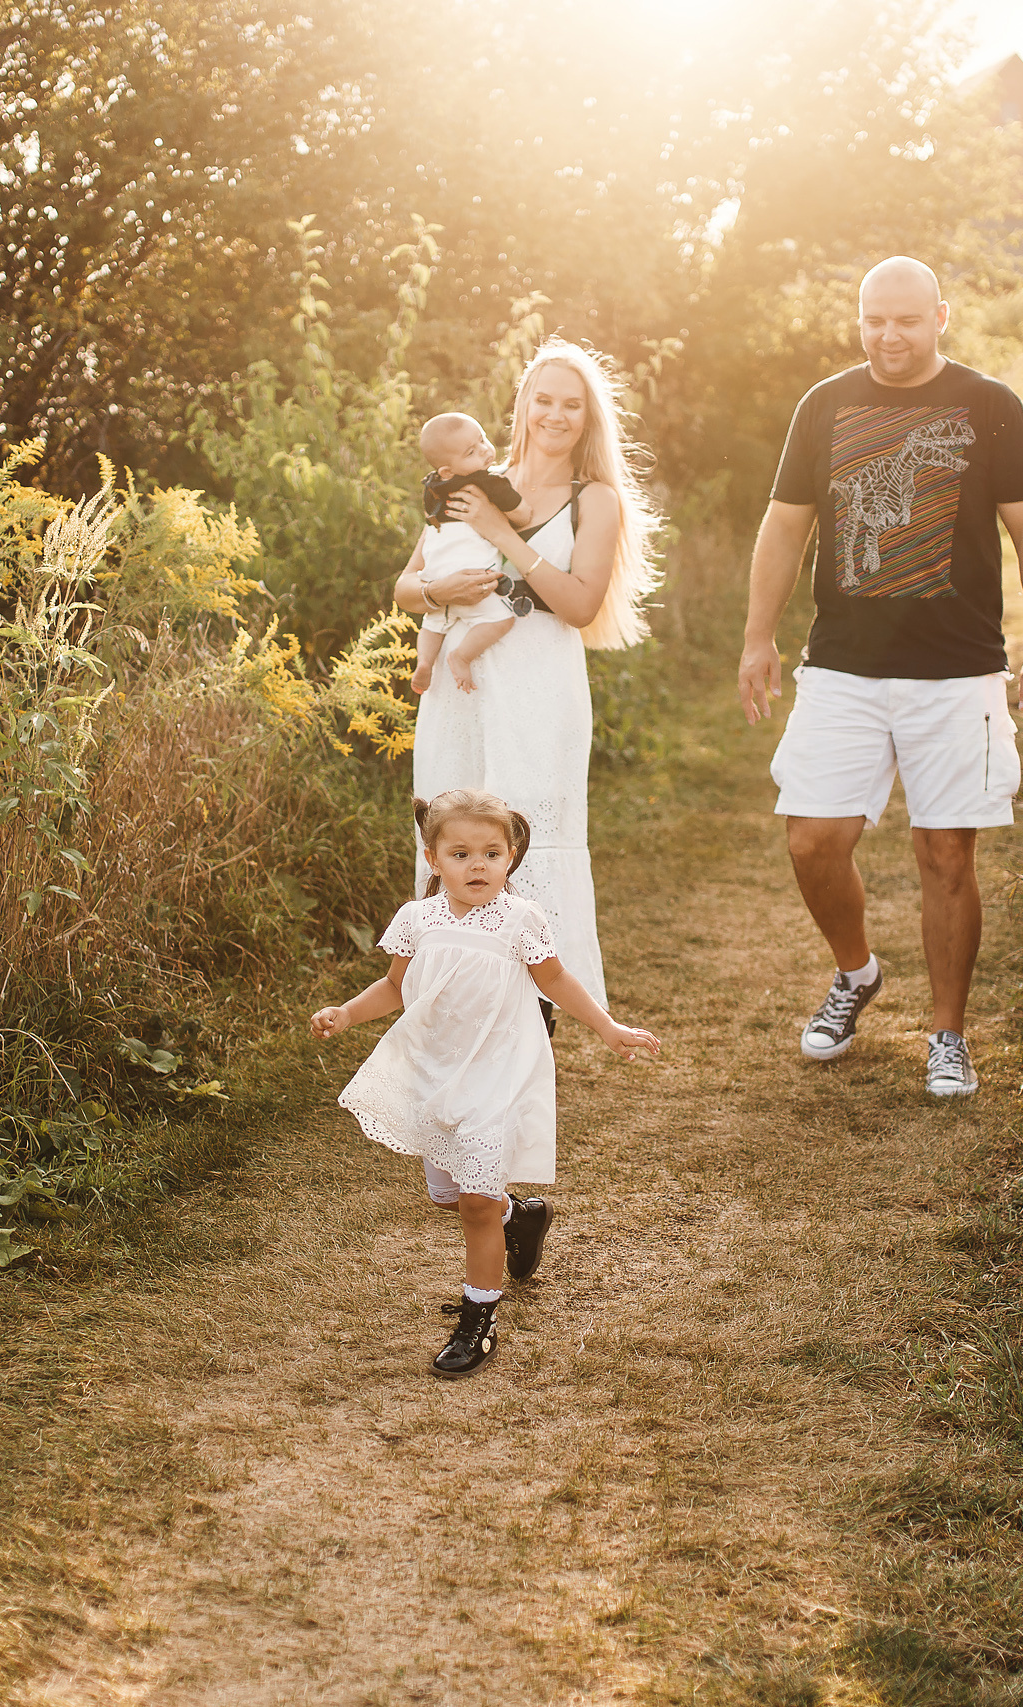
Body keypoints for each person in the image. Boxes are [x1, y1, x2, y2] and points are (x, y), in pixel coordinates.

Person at [737, 256, 1023, 1098]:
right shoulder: (825, 404)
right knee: (813, 838)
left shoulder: (990, 407)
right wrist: (757, 638)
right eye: (874, 320)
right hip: (843, 665)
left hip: (958, 672)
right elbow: (784, 529)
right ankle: (856, 974)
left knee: (946, 854)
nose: (889, 335)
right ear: (860, 319)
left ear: (941, 317)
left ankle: (948, 1035)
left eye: (907, 320)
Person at [312, 789, 661, 1378]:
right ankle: (519, 1218)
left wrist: (608, 1027)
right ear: (433, 859)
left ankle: (480, 1318)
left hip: (497, 1072)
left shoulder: (520, 921)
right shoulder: (416, 919)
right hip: (435, 1070)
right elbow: (394, 988)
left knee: (474, 1202)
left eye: (491, 853)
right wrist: (345, 1013)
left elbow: (556, 978)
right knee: (450, 1195)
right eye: (461, 853)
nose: (477, 865)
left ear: (511, 856)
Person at [392, 338, 662, 1023]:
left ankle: (531, 1023)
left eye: (572, 404)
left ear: (588, 417)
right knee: (457, 835)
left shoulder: (594, 499)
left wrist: (504, 536)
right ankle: (453, 1010)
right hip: (465, 687)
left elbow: (577, 605)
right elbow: (404, 587)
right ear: (524, 404)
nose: (555, 414)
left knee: (523, 842)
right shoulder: (475, 475)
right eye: (544, 399)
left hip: (541, 690)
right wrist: (436, 584)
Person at [410, 412, 532, 695]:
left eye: (482, 440)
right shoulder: (487, 483)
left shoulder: (432, 486)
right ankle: (461, 656)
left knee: (434, 621)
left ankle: (425, 660)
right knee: (502, 619)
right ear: (448, 471)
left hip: (435, 574)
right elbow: (524, 515)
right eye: (471, 452)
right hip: (471, 576)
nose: (485, 451)